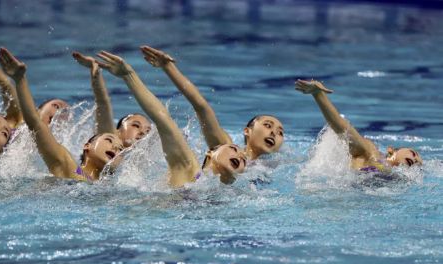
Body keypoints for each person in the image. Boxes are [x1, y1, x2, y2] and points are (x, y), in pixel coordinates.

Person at [96, 50, 247, 187]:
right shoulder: (189, 169)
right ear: (210, 153)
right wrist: (129, 76)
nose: (240, 156)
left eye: (244, 161)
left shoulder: (238, 193)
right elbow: (163, 119)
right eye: (233, 148)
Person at [0, 48, 123, 181]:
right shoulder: (70, 168)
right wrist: (20, 80)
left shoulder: (111, 185)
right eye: (109, 140)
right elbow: (36, 124)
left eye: (121, 150)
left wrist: (97, 78)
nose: (116, 147)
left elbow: (103, 108)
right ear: (87, 146)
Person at [140, 45, 284, 160]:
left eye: (280, 133)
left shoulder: (282, 167)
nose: (273, 132)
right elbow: (201, 107)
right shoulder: (227, 150)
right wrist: (168, 67)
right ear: (247, 131)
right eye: (267, 125)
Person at [294, 79, 422, 172]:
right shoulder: (370, 153)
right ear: (391, 150)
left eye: (419, 165)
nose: (415, 160)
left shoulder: (400, 180)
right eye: (413, 153)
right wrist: (318, 95)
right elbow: (343, 128)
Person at [72, 52, 151, 148]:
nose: (143, 132)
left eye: (148, 131)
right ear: (117, 132)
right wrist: (95, 73)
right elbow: (102, 103)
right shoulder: (108, 148)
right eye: (135, 125)